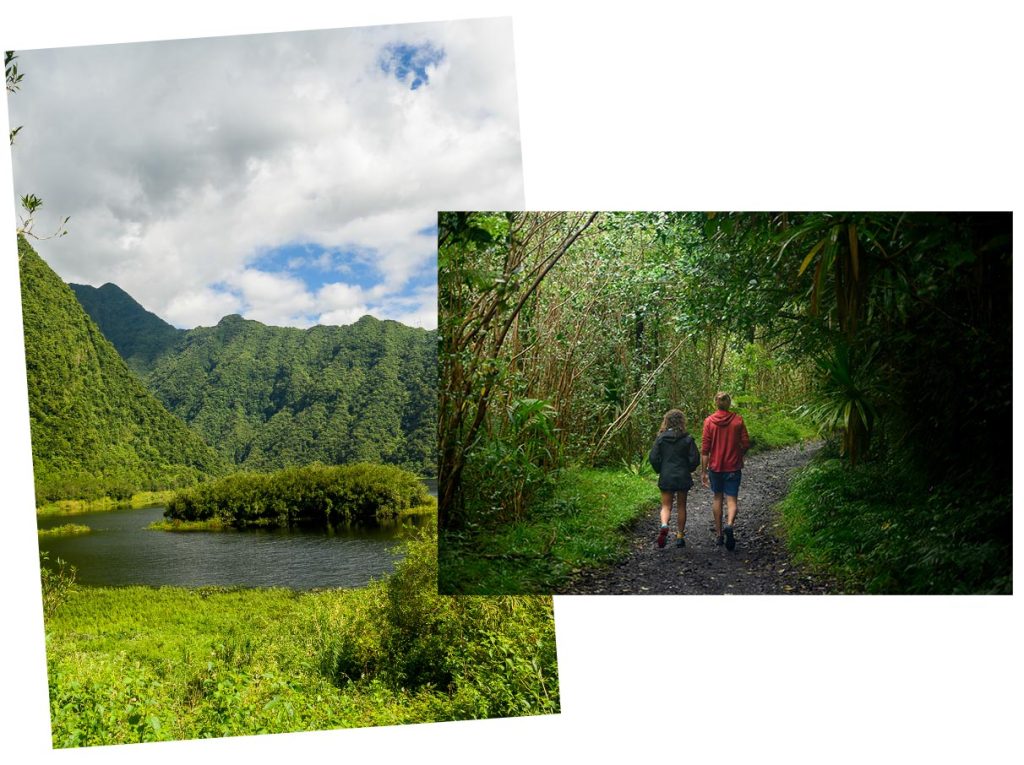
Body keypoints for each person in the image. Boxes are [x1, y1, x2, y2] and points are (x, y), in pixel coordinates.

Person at [700, 392, 750, 551]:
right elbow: (746, 443)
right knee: (732, 500)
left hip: (715, 467)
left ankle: (720, 534)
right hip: (733, 466)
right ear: (728, 403)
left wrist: (703, 471)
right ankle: (729, 524)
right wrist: (739, 453)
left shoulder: (709, 422)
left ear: (716, 403)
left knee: (717, 498)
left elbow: (705, 450)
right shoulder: (738, 420)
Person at [649, 408, 700, 548]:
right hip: (683, 475)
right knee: (681, 506)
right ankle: (679, 535)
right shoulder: (688, 439)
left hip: (667, 476)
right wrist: (689, 469)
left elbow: (653, 458)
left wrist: (660, 469)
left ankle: (664, 525)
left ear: (666, 421)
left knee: (666, 505)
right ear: (682, 422)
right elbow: (695, 459)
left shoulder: (661, 438)